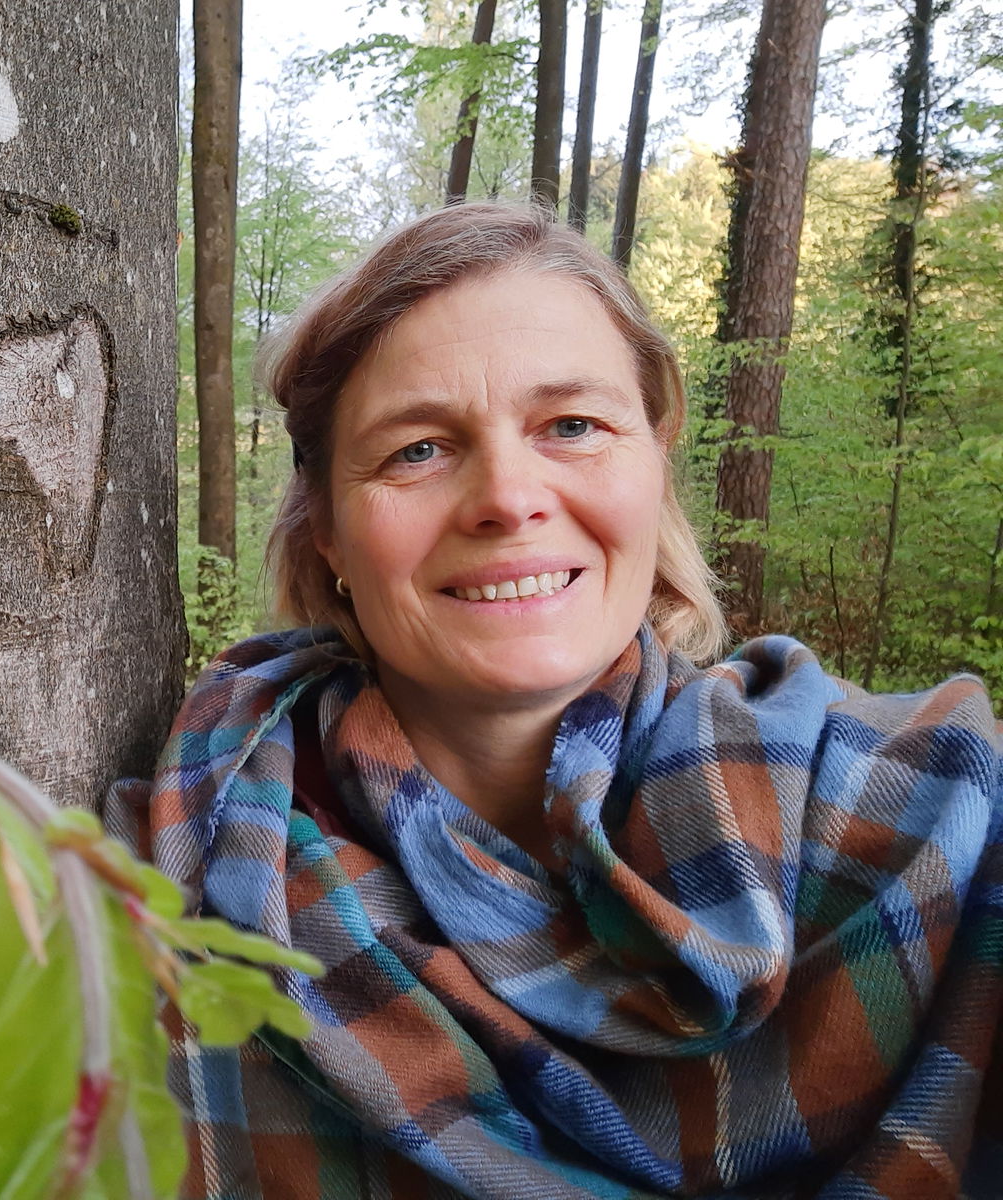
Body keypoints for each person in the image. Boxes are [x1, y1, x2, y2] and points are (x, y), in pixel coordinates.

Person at [109, 202, 1003, 1199]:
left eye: (571, 426)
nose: (507, 496)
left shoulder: (940, 817)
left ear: (653, 465)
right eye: (417, 449)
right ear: (326, 528)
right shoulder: (158, 877)